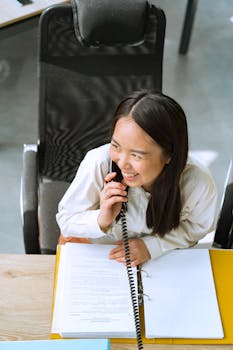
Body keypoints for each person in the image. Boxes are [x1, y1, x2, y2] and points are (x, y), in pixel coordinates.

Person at [56, 90, 217, 266]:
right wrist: (102, 219)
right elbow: (66, 221)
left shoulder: (197, 181)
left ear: (170, 154)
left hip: (158, 261)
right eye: (116, 146)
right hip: (97, 254)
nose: (123, 163)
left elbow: (198, 227)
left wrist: (153, 246)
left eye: (137, 155)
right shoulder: (99, 162)